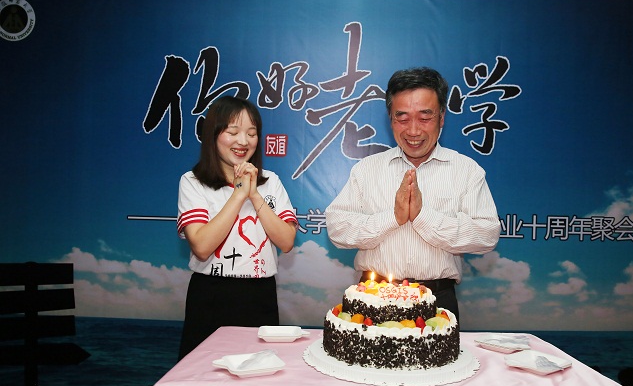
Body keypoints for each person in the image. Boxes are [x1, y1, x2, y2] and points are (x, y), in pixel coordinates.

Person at [325, 67, 500, 324]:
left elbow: (487, 235)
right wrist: (393, 218)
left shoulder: (466, 170)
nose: (414, 130)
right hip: (374, 297)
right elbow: (337, 228)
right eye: (403, 118)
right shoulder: (366, 169)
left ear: (442, 117)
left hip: (438, 300)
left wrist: (423, 217)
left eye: (425, 117)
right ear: (390, 119)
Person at [176, 96, 297, 360]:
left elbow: (287, 241)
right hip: (210, 294)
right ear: (213, 134)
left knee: (259, 372)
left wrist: (254, 194)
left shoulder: (271, 182)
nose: (243, 141)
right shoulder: (193, 182)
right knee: (203, 371)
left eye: (251, 134)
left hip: (260, 294)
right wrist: (239, 194)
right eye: (233, 132)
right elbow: (202, 246)